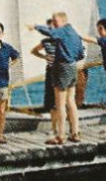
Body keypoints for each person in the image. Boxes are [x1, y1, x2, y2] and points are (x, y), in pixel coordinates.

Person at [33, 11, 84, 144]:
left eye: (56, 22)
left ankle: (61, 136)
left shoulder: (62, 31)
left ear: (63, 20)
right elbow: (81, 54)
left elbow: (51, 33)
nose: (54, 24)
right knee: (71, 102)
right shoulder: (75, 33)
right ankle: (75, 133)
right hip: (73, 67)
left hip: (62, 67)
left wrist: (36, 26)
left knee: (60, 104)